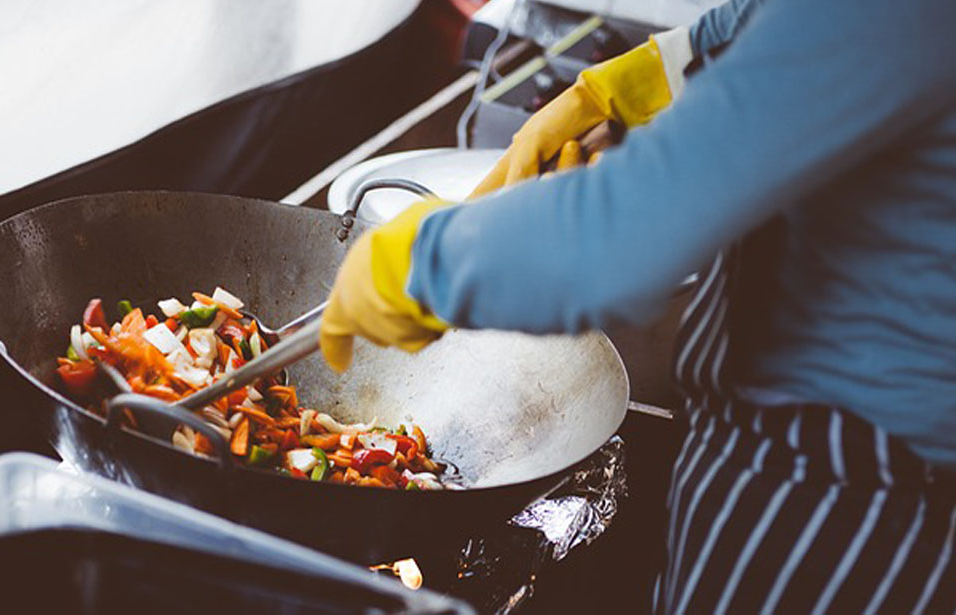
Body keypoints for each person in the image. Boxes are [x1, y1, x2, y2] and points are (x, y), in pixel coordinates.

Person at [319, 0, 956, 611]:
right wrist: (659, 73)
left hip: (843, 492)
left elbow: (622, 236)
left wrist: (422, 262)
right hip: (810, 456)